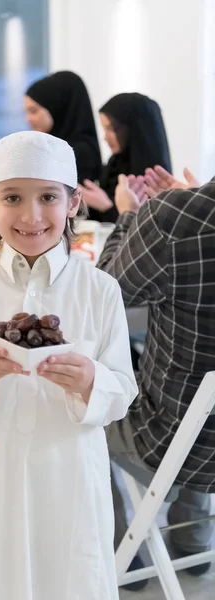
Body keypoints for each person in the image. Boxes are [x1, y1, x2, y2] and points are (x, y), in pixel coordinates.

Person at [0, 130, 138, 599]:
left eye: (48, 196)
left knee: (69, 575)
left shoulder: (100, 290)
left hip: (68, 471)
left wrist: (91, 381)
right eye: (12, 198)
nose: (31, 215)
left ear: (73, 204)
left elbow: (122, 392)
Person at [97, 173, 215, 590]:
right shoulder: (179, 214)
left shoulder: (173, 218)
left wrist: (130, 216)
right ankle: (193, 537)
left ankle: (117, 553)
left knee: (78, 403)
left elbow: (104, 296)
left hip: (166, 439)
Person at [82, 92, 172, 223]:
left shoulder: (154, 178)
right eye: (104, 129)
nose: (105, 138)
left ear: (134, 130)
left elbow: (147, 228)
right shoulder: (115, 163)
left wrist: (107, 206)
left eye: (112, 129)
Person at [24, 71, 102, 185]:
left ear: (57, 108)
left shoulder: (78, 153)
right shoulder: (52, 148)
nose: (28, 119)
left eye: (33, 111)